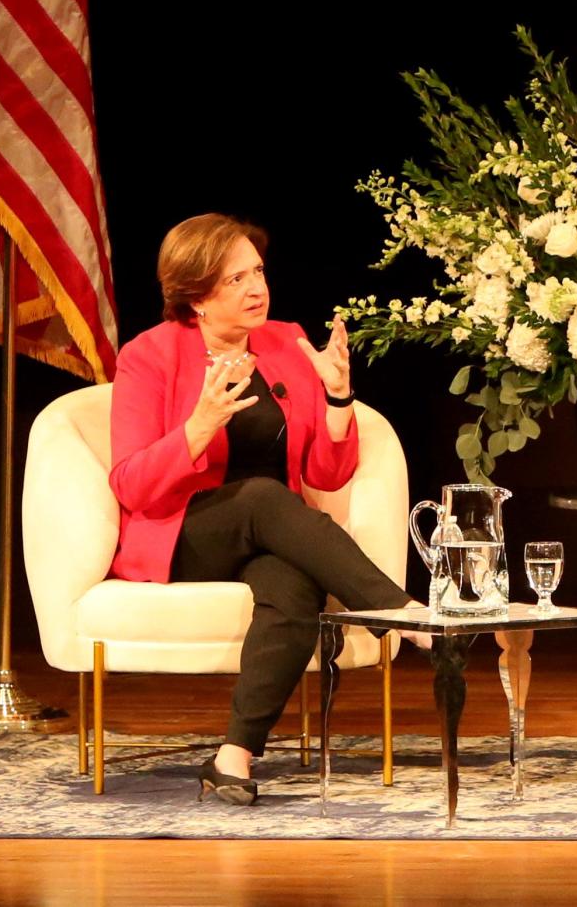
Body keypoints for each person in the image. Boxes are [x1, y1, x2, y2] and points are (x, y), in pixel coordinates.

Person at [109, 213, 428, 806]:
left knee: (294, 583)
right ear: (197, 296)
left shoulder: (285, 342)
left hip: (270, 528)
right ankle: (402, 612)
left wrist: (338, 397)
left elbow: (326, 474)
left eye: (257, 272)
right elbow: (131, 486)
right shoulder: (148, 356)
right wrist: (199, 427)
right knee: (260, 497)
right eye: (235, 280)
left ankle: (233, 756)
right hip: (185, 533)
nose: (257, 288)